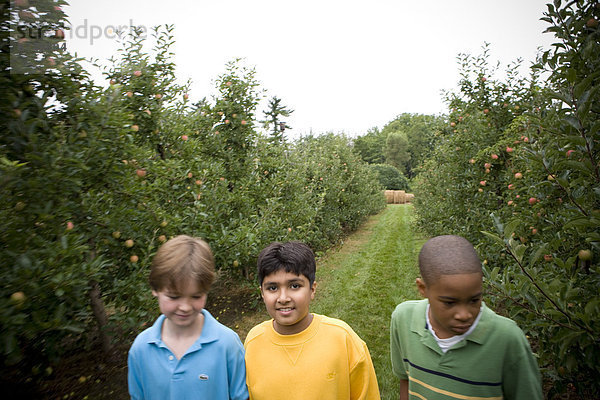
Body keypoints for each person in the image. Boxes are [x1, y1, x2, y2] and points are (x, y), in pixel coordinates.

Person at [390, 235, 543, 400]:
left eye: (474, 300)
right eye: (449, 303)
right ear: (422, 288)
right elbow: (405, 378)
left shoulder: (507, 339)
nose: (464, 315)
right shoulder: (403, 319)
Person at [244, 241, 381, 400]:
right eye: (273, 288)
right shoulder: (253, 342)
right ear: (262, 292)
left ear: (312, 289)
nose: (283, 298)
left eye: (294, 286)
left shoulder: (343, 339)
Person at [127, 235, 249, 400]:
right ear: (155, 289)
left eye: (196, 296)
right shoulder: (141, 349)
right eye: (174, 297)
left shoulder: (227, 344)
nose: (185, 307)